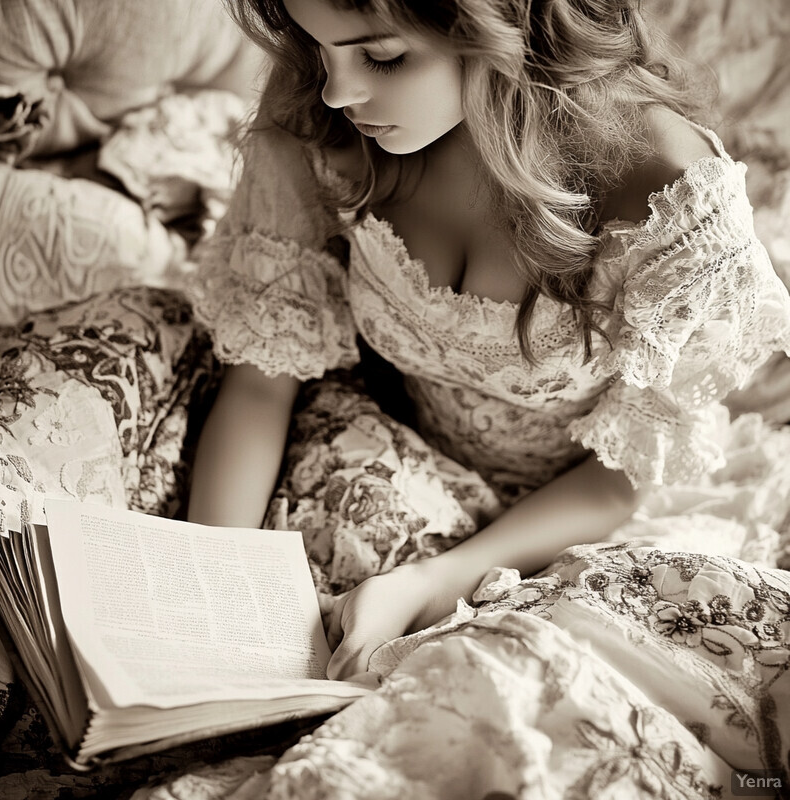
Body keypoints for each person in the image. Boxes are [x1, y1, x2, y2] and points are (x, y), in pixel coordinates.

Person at [185, 0, 790, 680]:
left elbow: (620, 483)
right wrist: (215, 587)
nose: (338, 90)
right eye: (319, 47)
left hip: (571, 512)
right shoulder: (316, 110)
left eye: (382, 56)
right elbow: (260, 386)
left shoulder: (669, 192)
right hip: (384, 439)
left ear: (505, 26)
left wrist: (433, 582)